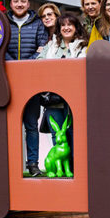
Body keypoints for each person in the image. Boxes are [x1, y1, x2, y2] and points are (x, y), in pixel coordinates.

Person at [5, 0, 49, 176]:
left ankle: (33, 164)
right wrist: (15, 66)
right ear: (11, 3)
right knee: (10, 126)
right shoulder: (3, 22)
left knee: (31, 125)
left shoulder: (38, 24)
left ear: (28, 4)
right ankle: (12, 164)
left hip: (32, 82)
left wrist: (25, 65)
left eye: (23, 1)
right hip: (9, 82)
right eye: (16, 1)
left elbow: (42, 49)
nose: (19, 4)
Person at [37, 13, 88, 170]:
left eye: (69, 25)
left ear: (76, 27)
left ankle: (75, 167)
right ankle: (61, 171)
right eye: (63, 25)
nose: (66, 28)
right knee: (57, 133)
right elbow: (39, 63)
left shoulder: (83, 46)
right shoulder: (51, 46)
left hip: (74, 97)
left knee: (73, 132)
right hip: (53, 97)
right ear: (59, 29)